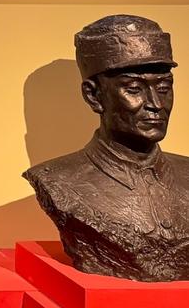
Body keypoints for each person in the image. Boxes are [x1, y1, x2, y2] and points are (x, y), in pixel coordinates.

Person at [24, 15, 189, 281]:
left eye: (163, 87)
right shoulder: (57, 181)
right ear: (93, 96)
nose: (156, 104)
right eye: (134, 89)